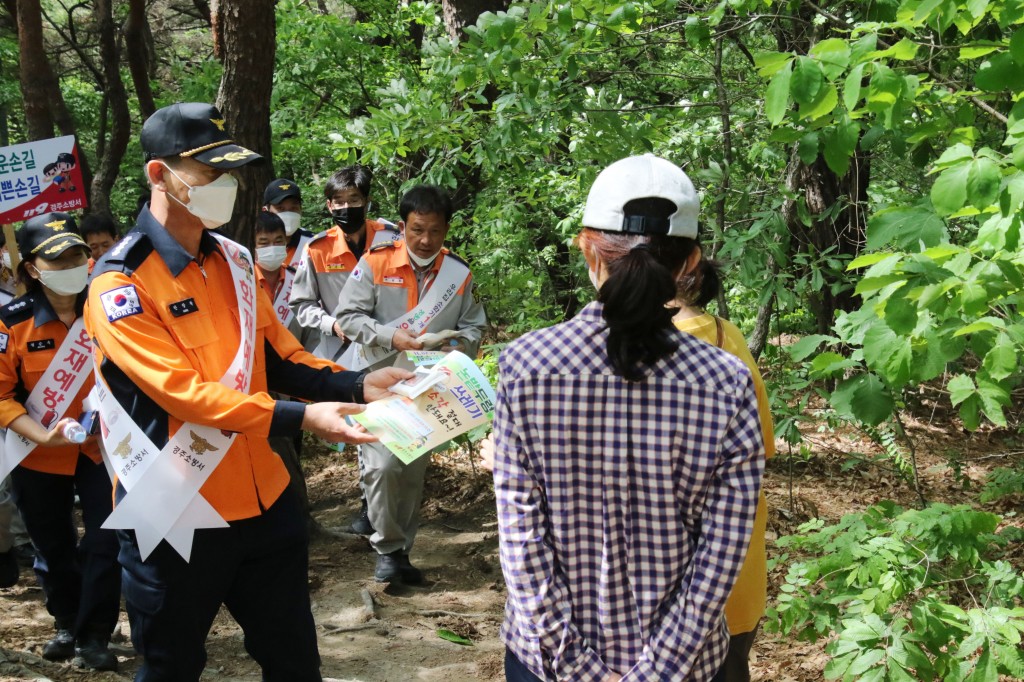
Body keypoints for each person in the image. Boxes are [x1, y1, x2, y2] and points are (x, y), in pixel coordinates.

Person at [84, 102, 412, 682]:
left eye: (231, 173)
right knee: (170, 666)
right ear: (161, 176)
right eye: (211, 174)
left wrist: (358, 382)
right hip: (178, 509)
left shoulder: (235, 262)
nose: (227, 186)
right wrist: (304, 419)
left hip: (266, 500)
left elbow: (279, 356)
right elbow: (182, 395)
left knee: (293, 660)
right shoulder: (120, 284)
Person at [493, 154, 765, 681]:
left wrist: (577, 669)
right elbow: (725, 547)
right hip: (682, 667)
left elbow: (520, 540)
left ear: (587, 247)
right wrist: (654, 672)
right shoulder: (726, 382)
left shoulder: (525, 367)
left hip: (547, 663)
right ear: (691, 263)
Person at [335, 184, 486, 584]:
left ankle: (402, 551)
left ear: (446, 230)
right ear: (403, 226)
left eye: (435, 231)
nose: (425, 240)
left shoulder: (457, 273)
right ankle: (386, 546)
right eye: (417, 229)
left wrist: (457, 345)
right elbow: (347, 317)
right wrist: (390, 336)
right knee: (382, 466)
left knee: (411, 468)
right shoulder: (375, 264)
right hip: (377, 383)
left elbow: (474, 326)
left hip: (427, 386)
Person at [0, 212, 120, 671]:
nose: (73, 264)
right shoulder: (13, 322)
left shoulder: (110, 309)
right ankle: (67, 621)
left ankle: (95, 634)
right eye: (58, 259)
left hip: (101, 451)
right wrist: (40, 435)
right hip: (38, 453)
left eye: (78, 255)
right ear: (32, 269)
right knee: (52, 546)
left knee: (106, 540)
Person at [673, 261, 775, 682]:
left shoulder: (627, 347)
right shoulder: (726, 336)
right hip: (736, 562)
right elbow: (763, 444)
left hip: (664, 574)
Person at [289, 165, 399, 362]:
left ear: (366, 202)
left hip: (392, 345)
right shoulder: (317, 249)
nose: (346, 208)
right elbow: (302, 303)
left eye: (354, 200)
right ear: (330, 206)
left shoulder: (393, 241)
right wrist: (332, 325)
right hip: (341, 351)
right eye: (339, 202)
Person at [262, 177, 314, 349]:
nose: (288, 214)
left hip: (303, 334)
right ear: (266, 210)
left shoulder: (314, 245)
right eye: (281, 209)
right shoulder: (252, 245)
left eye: (293, 208)